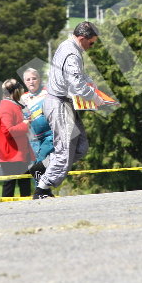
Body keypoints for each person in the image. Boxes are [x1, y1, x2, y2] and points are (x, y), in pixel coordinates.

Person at [31, 21, 103, 199]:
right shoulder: (72, 53)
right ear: (82, 38)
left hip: (64, 103)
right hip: (59, 105)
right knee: (64, 152)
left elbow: (76, 75)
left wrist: (90, 80)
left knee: (80, 148)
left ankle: (44, 166)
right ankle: (41, 189)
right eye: (91, 43)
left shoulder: (69, 47)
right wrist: (94, 97)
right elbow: (77, 84)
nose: (92, 47)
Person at [0, 79, 33, 198]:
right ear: (15, 91)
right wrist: (24, 125)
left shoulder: (14, 104)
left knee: (25, 184)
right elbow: (8, 131)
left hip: (19, 152)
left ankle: (26, 207)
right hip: (11, 153)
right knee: (10, 185)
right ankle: (7, 209)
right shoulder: (7, 106)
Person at [20, 68, 53, 178]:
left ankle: (43, 187)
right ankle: (40, 187)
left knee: (41, 163)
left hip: (49, 135)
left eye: (34, 78)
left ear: (39, 79)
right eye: (28, 79)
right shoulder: (22, 98)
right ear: (24, 82)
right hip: (32, 139)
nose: (31, 82)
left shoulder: (47, 93)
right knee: (35, 168)